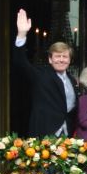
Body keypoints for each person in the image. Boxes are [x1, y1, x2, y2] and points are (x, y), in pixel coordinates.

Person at [11, 9, 78, 138]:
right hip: (44, 133)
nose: (61, 59)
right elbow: (20, 63)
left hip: (68, 135)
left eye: (65, 57)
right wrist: (21, 34)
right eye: (57, 56)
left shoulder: (72, 79)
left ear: (70, 60)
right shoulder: (40, 74)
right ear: (50, 59)